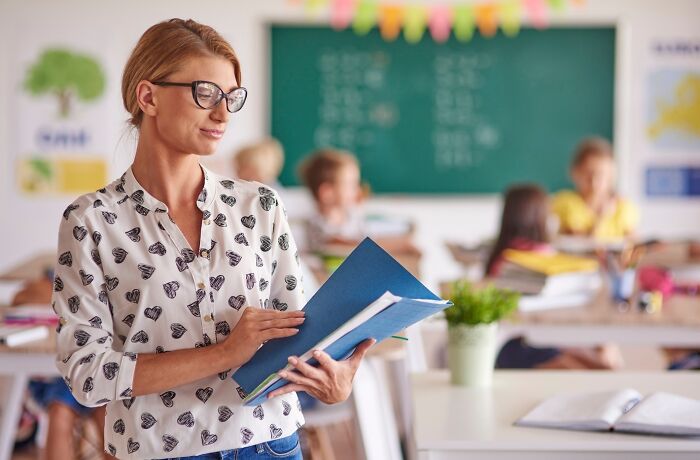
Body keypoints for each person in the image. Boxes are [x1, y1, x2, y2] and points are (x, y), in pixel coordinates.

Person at [52, 18, 374, 460]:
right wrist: (225, 353)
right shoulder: (92, 221)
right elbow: (86, 375)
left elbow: (299, 335)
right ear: (148, 97)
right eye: (205, 93)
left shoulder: (260, 206)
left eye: (231, 97)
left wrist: (332, 379)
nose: (222, 113)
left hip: (271, 444)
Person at [486, 184, 622, 370]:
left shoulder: (499, 257)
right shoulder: (533, 257)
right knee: (603, 363)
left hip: (538, 340)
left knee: (603, 358)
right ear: (540, 217)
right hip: (523, 343)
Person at [10, 274, 110, 459]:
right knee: (61, 411)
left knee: (106, 415)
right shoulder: (54, 280)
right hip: (60, 376)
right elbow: (20, 298)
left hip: (95, 371)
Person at [299, 148, 415, 254]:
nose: (357, 190)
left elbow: (368, 238)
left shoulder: (353, 217)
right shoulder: (315, 223)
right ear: (327, 193)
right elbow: (338, 244)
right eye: (350, 184)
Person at [551, 137, 639, 241]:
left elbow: (633, 244)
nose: (594, 182)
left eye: (601, 175)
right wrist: (600, 219)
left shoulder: (623, 207)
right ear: (575, 172)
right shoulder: (563, 203)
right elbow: (574, 243)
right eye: (588, 174)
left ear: (611, 176)